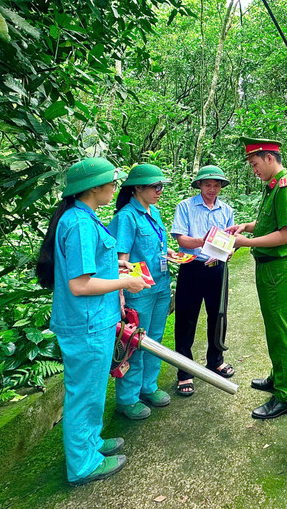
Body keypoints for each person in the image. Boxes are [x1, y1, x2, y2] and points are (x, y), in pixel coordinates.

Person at [36, 157, 150, 485]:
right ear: (94, 188)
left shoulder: (83, 217)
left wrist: (118, 270)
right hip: (87, 324)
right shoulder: (80, 223)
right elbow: (79, 284)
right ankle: (82, 464)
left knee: (94, 390)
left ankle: (91, 443)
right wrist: (125, 283)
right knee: (85, 393)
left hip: (93, 321)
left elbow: (90, 269)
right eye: (111, 183)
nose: (115, 188)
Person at [228, 138, 287, 419]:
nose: (254, 170)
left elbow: (286, 235)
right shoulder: (273, 187)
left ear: (270, 158)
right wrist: (246, 226)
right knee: (273, 326)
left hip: (278, 269)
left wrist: (245, 242)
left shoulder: (285, 189)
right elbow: (271, 223)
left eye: (255, 164)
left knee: (279, 329)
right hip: (269, 268)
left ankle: (285, 395)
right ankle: (278, 376)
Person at [109, 164, 175, 419]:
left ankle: (148, 386)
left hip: (160, 285)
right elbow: (120, 260)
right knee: (135, 342)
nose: (160, 191)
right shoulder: (126, 217)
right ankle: (127, 399)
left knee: (155, 339)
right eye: (154, 186)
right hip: (139, 291)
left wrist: (167, 254)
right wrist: (122, 296)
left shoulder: (154, 212)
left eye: (161, 186)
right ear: (137, 188)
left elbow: (156, 245)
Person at [170, 165, 236, 397]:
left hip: (217, 269)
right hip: (191, 267)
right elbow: (181, 239)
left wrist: (229, 251)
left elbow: (230, 239)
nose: (212, 188)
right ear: (199, 185)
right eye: (207, 184)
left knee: (218, 316)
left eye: (216, 185)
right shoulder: (185, 207)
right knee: (186, 319)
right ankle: (184, 371)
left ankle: (215, 360)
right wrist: (202, 241)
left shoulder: (226, 210)